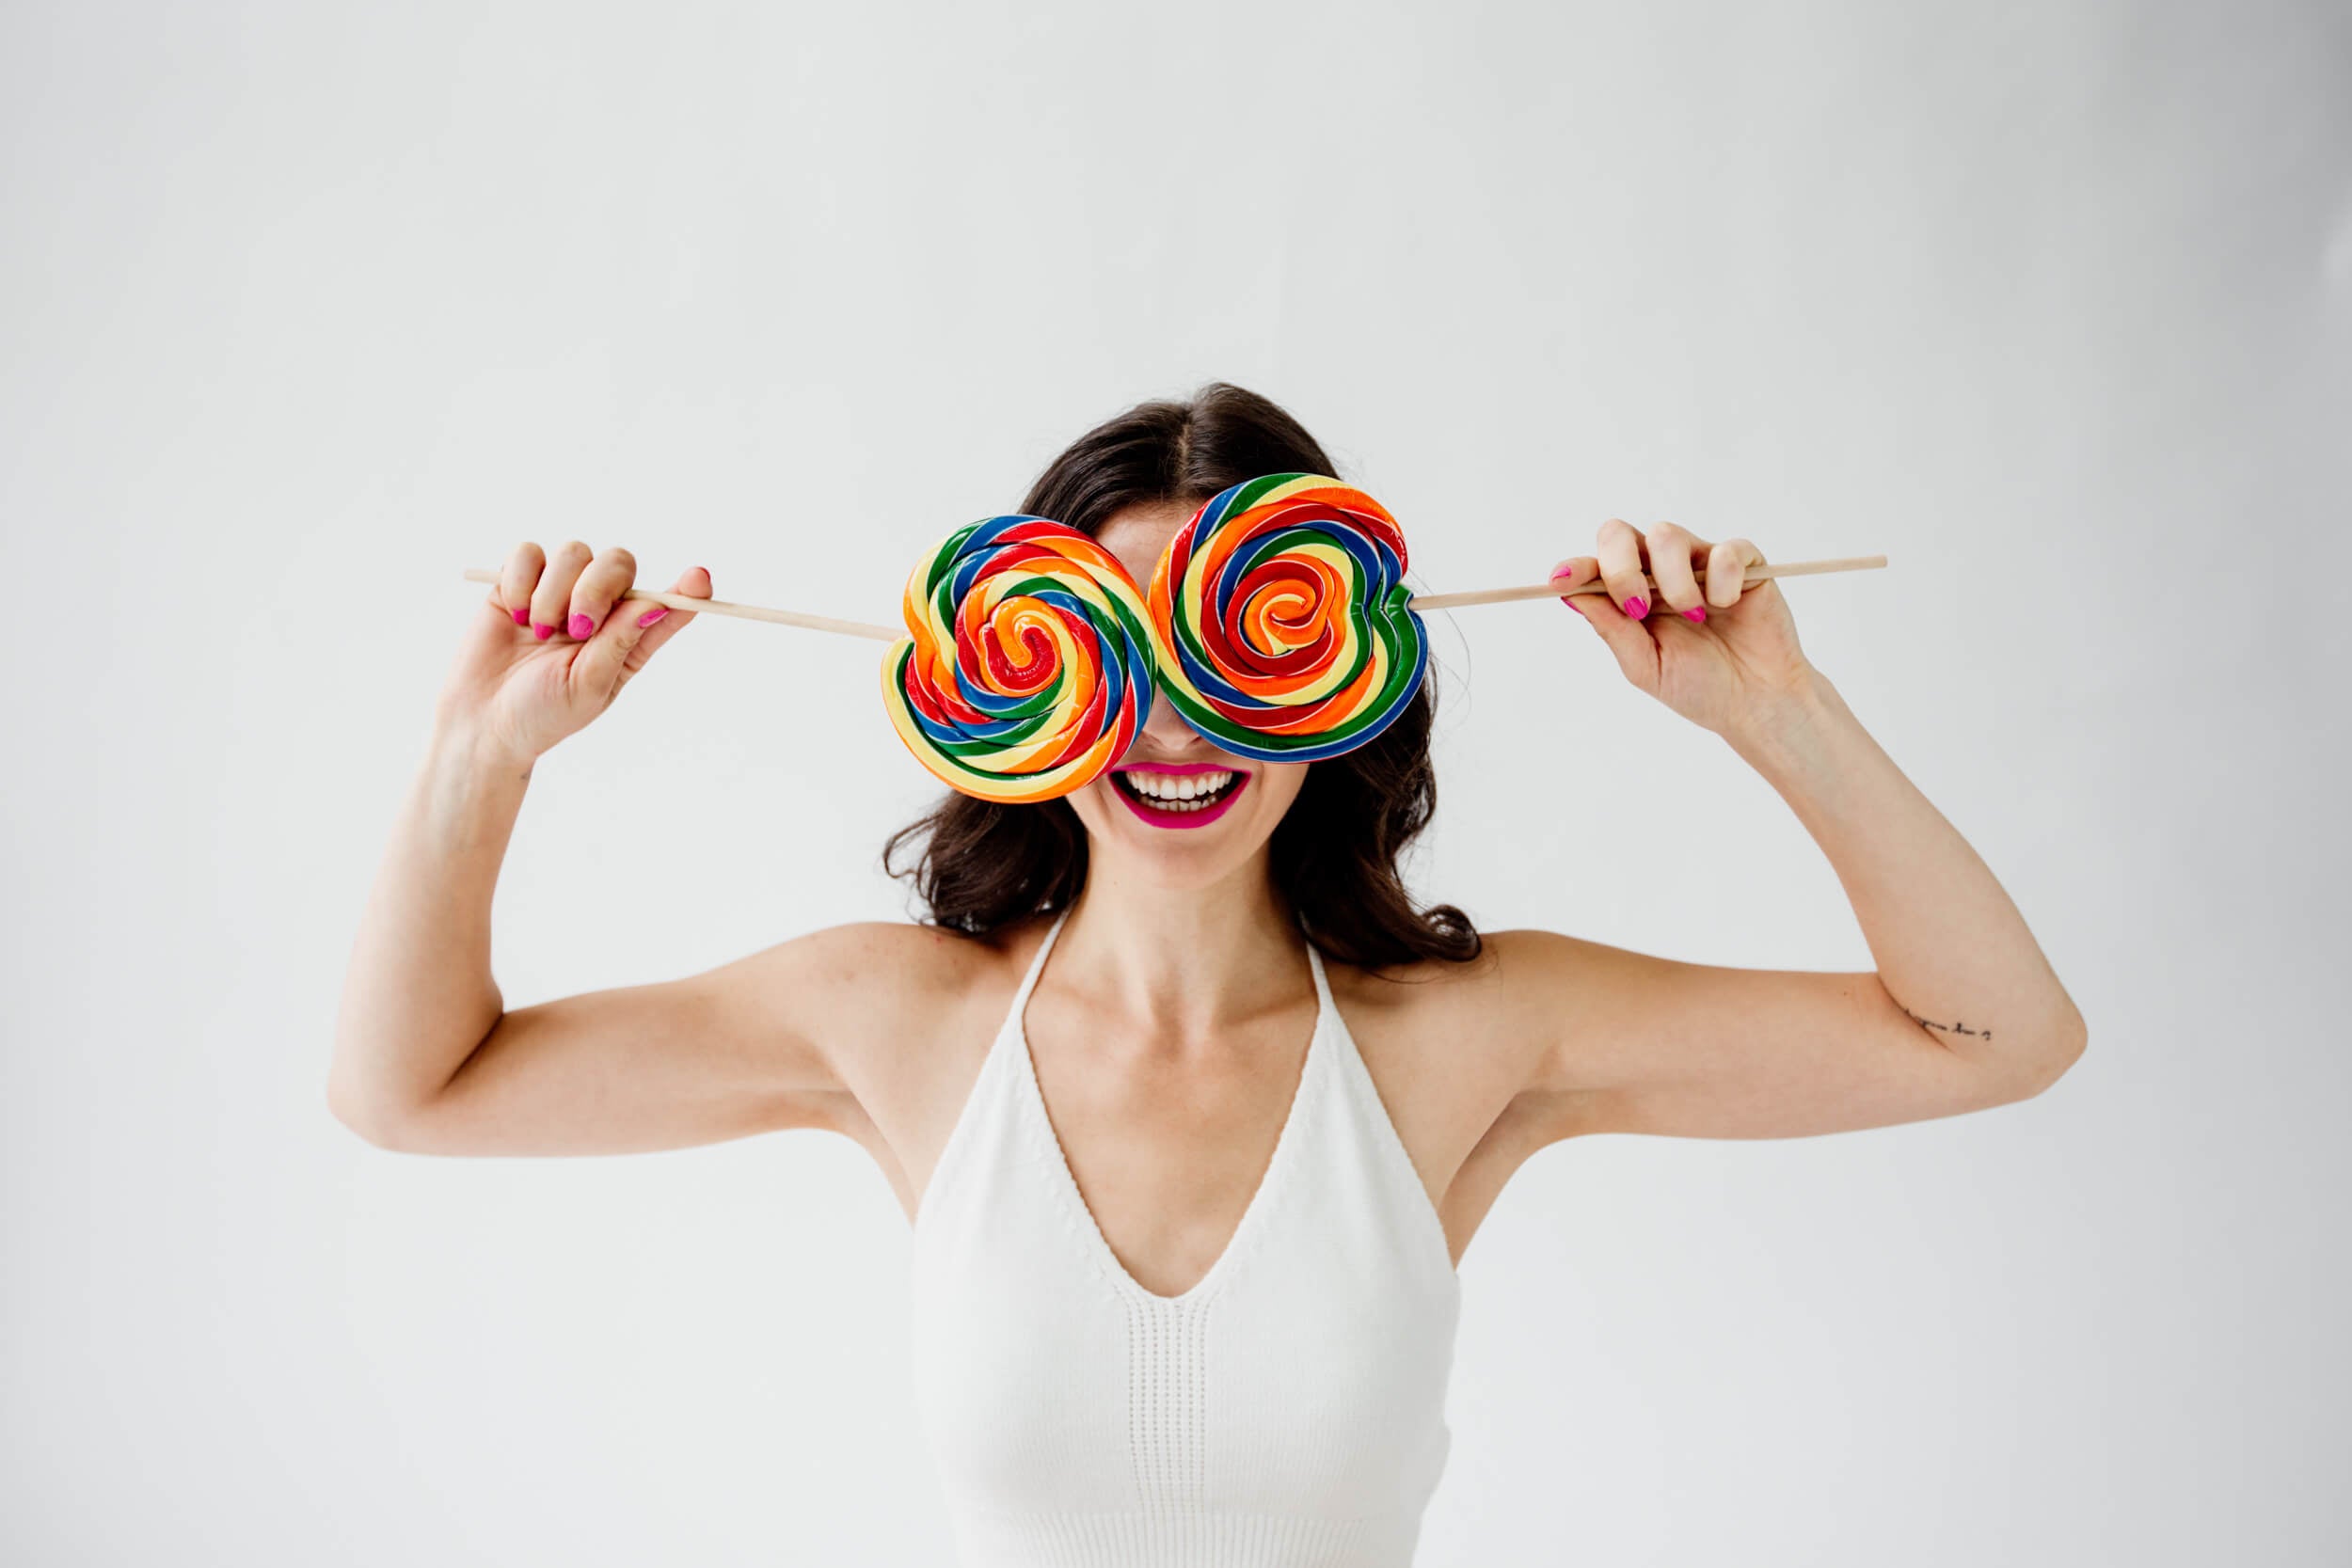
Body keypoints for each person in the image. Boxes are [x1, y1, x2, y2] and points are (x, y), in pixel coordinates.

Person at [327, 382, 2086, 1565]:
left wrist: (1774, 712)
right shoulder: (896, 1027)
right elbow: (412, 1091)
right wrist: (484, 758)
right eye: (1111, 644)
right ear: (1007, 674)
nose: (1172, 722)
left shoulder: (1468, 1041)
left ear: (1340, 672)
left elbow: (1997, 1036)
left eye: (1242, 646)